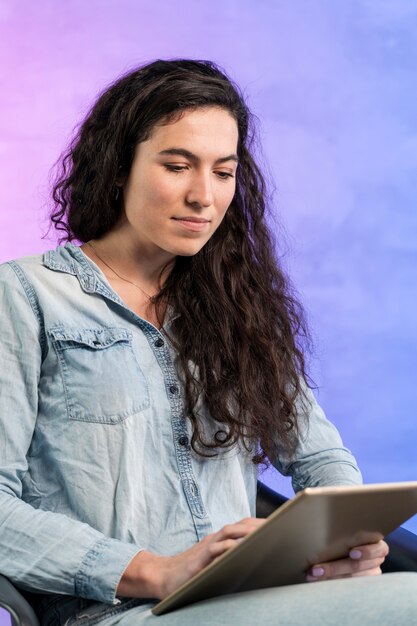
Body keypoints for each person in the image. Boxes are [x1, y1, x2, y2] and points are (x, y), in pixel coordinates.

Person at [0, 58, 416, 626]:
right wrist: (157, 569)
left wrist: (346, 543)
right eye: (177, 166)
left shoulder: (233, 303)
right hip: (118, 612)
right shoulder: (24, 296)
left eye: (224, 173)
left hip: (254, 597)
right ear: (118, 167)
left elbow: (319, 458)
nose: (204, 196)